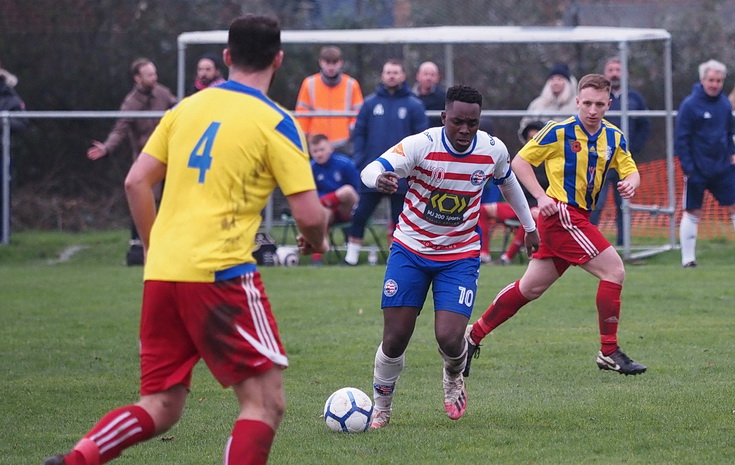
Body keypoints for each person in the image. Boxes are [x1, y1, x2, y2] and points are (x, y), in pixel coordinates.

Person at [43, 14, 329, 465]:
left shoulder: (182, 110)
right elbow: (309, 216)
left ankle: (75, 460)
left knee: (160, 405)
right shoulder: (276, 121)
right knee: (264, 402)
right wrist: (319, 239)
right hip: (221, 273)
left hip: (163, 274)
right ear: (279, 59)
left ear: (227, 57)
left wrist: (156, 251)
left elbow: (136, 182)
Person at [364, 85, 539, 429]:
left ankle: (453, 374)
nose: (464, 130)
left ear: (479, 121)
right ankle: (381, 407)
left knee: (449, 337)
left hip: (459, 256)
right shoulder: (421, 144)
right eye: (457, 122)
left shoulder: (493, 150)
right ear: (444, 117)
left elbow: (508, 184)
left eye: (471, 123)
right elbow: (371, 168)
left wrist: (529, 226)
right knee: (395, 338)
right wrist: (380, 180)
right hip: (410, 250)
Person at [465, 74, 647, 379]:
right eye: (586, 103)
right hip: (562, 215)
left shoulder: (614, 137)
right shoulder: (558, 131)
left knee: (530, 288)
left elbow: (631, 170)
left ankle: (472, 335)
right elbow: (520, 162)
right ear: (577, 101)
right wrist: (540, 196)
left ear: (608, 104)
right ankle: (609, 350)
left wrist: (630, 183)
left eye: (599, 104)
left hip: (576, 218)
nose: (592, 110)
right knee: (614, 270)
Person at [86, 57, 177, 266]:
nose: (154, 78)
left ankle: (171, 245)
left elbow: (181, 110)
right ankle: (140, 246)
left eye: (155, 73)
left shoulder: (163, 93)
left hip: (172, 157)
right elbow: (121, 129)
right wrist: (107, 147)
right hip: (148, 160)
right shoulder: (131, 102)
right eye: (149, 75)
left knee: (171, 200)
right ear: (137, 78)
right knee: (144, 199)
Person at [344, 59, 429, 265]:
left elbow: (422, 139)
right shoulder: (370, 104)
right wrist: (360, 159)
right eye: (388, 72)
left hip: (402, 173)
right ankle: (351, 257)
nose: (391, 76)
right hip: (374, 171)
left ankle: (400, 258)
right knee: (361, 213)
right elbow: (359, 133)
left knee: (401, 218)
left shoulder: (414, 105)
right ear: (382, 76)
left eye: (395, 72)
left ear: (403, 76)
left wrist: (414, 167)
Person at [675, 59, 735, 268]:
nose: (715, 84)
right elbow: (681, 139)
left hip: (722, 169)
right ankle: (688, 260)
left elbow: (729, 132)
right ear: (702, 80)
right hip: (697, 170)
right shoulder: (690, 105)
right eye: (711, 80)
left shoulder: (725, 104)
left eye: (719, 80)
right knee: (692, 212)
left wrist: (732, 154)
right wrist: (689, 168)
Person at [590, 56, 651, 245]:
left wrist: (633, 149)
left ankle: (624, 246)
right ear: (605, 73)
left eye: (618, 69)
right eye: (611, 70)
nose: (615, 73)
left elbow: (645, 125)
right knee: (595, 204)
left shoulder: (634, 98)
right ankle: (590, 244)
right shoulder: (598, 98)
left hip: (623, 162)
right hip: (600, 161)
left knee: (623, 204)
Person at [295, 45, 363, 154]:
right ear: (321, 62)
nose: (331, 67)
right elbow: (302, 114)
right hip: (316, 146)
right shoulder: (309, 83)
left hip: (342, 145)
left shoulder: (352, 84)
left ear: (341, 63)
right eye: (327, 63)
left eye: (334, 63)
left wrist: (352, 134)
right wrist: (302, 140)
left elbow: (358, 114)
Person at [309, 133, 361, 265]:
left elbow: (358, 190)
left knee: (347, 191)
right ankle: (317, 258)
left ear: (330, 148)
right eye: (315, 151)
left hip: (348, 209)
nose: (319, 154)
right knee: (323, 213)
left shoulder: (345, 163)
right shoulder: (310, 168)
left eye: (322, 150)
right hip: (326, 211)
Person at [518, 62, 578, 140]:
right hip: (541, 147)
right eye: (552, 79)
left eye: (559, 79)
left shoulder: (577, 104)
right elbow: (524, 125)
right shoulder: (537, 104)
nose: (555, 83)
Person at [0, 72, 27, 241]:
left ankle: (3, 236)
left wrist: (3, 121)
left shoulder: (11, 100)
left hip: (2, 155)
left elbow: (22, 124)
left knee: (3, 194)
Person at [412, 61, 446, 127]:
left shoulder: (444, 99)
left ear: (438, 78)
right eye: (425, 74)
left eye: (432, 75)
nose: (429, 78)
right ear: (418, 76)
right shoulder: (410, 98)